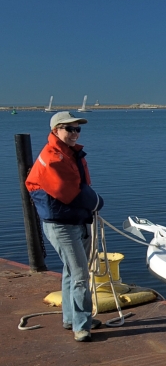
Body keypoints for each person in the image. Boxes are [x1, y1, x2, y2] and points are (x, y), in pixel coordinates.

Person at [26, 111, 104, 342]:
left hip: (74, 220)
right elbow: (70, 191)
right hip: (61, 225)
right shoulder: (52, 157)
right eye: (69, 129)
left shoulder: (69, 154)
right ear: (55, 130)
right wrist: (98, 202)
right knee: (80, 274)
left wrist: (91, 205)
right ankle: (82, 326)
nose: (74, 133)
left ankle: (71, 319)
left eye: (77, 129)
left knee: (71, 271)